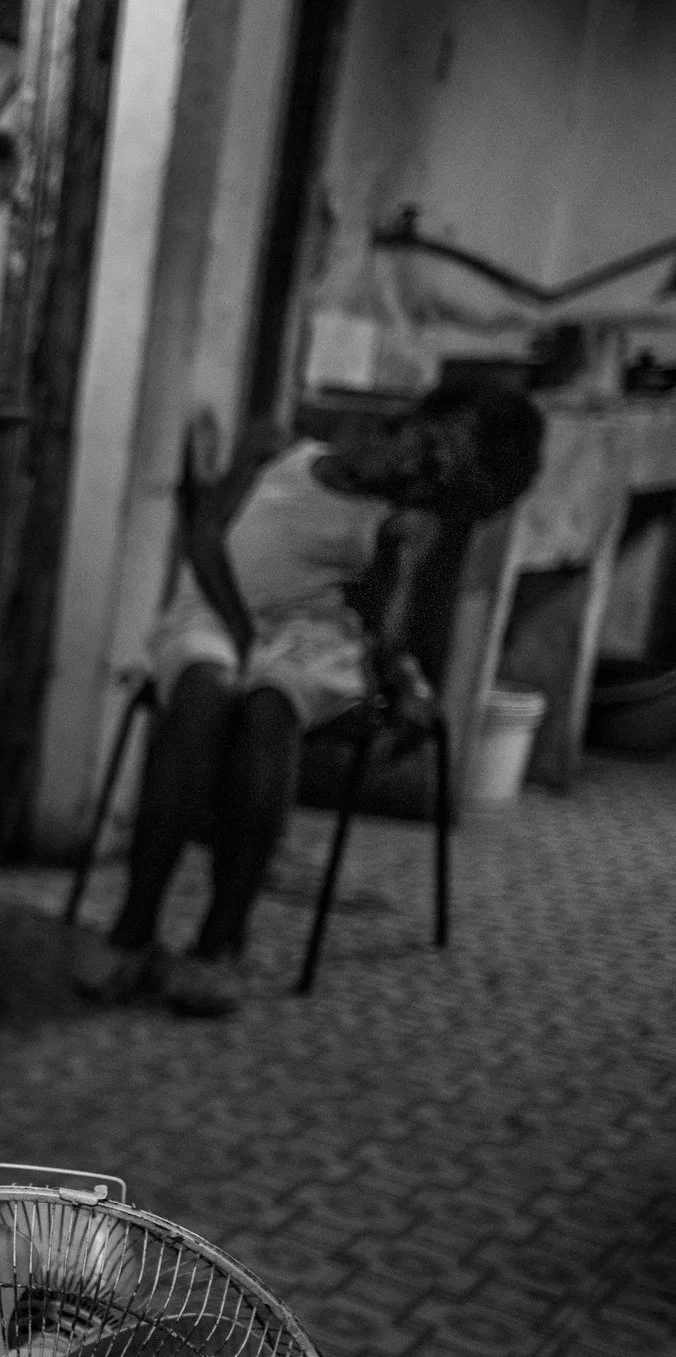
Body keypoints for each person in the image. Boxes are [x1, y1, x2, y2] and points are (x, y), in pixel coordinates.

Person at [72, 383, 546, 1018]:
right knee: (204, 694)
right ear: (415, 418)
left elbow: (381, 631)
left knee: (270, 709)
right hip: (213, 611)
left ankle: (219, 942)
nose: (415, 470)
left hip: (312, 639)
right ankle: (134, 927)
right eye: (428, 447)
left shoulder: (397, 524)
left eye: (437, 477)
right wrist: (241, 632)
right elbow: (206, 537)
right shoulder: (274, 447)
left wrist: (404, 672)